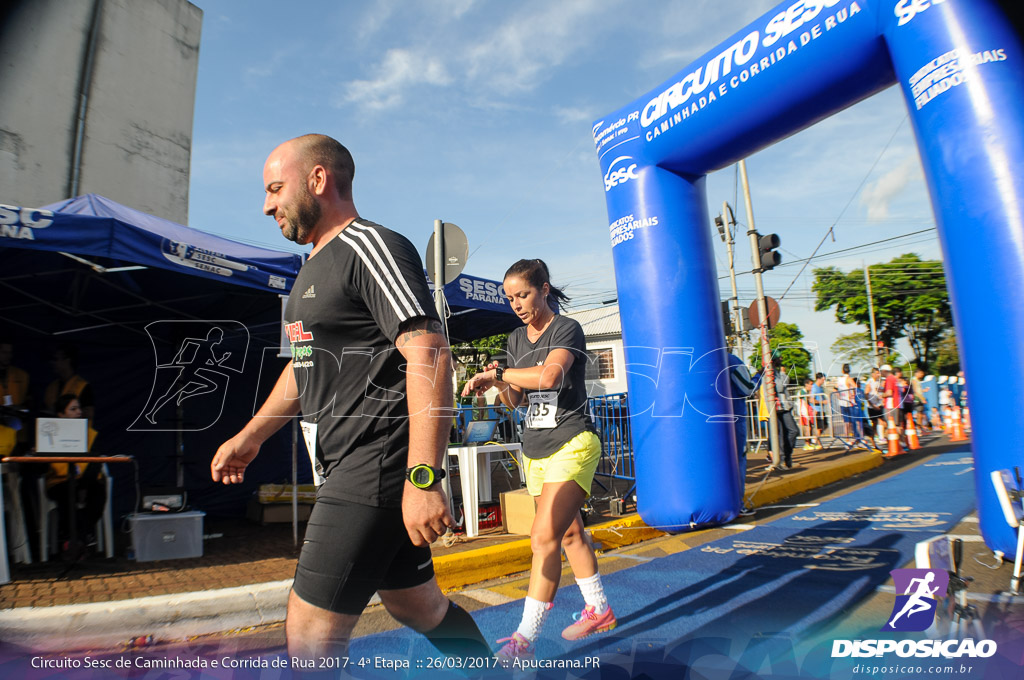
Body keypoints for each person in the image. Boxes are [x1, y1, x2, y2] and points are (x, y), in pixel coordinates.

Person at [210, 134, 488, 665]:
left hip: (375, 463)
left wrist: (423, 477)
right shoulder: (307, 274)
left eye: (275, 188)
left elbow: (429, 353)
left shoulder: (372, 246)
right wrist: (249, 437)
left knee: (309, 627)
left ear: (319, 179)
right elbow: (301, 367)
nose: (267, 205)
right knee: (416, 605)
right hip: (340, 464)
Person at [461, 259, 613, 659]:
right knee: (568, 534)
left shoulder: (567, 328)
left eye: (523, 295)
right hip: (535, 449)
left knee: (542, 539)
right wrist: (497, 384)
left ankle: (524, 639)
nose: (517, 304)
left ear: (544, 289)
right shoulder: (514, 339)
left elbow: (549, 378)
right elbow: (518, 400)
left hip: (572, 442)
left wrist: (506, 373)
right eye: (510, 298)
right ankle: (599, 608)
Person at [45, 394, 105, 557]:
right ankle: (82, 539)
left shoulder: (90, 434)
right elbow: (55, 468)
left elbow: (95, 461)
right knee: (67, 494)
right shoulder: (49, 433)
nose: (79, 412)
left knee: (99, 492)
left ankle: (75, 541)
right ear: (61, 415)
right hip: (60, 482)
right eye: (73, 409)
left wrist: (84, 485)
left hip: (86, 481)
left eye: (79, 408)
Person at [43, 345, 94, 422]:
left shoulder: (83, 386)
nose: (52, 363)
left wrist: (70, 413)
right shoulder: (51, 387)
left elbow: (89, 414)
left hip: (77, 431)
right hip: (55, 431)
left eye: (56, 359)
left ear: (67, 360)